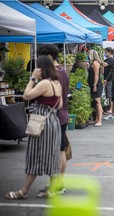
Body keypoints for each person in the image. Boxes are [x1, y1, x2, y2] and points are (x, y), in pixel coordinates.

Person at [5, 56, 63, 200]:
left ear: (42, 68)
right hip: (53, 122)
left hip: (41, 122)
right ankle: (53, 189)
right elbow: (60, 105)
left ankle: (23, 191)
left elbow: (26, 95)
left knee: (35, 155)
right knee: (51, 155)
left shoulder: (44, 83)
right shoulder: (57, 83)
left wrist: (32, 78)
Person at [36, 45, 69, 197]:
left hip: (55, 115)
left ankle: (58, 185)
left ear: (49, 56)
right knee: (60, 150)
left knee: (58, 151)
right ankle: (57, 184)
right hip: (62, 114)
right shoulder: (63, 71)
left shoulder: (54, 72)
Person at [88, 49, 104, 127]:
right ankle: (97, 119)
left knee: (98, 102)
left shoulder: (95, 63)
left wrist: (94, 85)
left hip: (97, 84)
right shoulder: (95, 63)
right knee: (95, 102)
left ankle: (100, 120)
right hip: (94, 84)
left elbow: (96, 75)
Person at [103, 48, 114, 121]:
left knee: (111, 95)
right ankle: (112, 113)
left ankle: (113, 111)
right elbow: (112, 72)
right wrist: (106, 79)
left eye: (106, 52)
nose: (105, 53)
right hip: (112, 80)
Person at [102, 47, 114, 115]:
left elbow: (104, 64)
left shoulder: (111, 59)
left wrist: (98, 59)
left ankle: (111, 108)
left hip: (109, 79)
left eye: (106, 52)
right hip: (107, 79)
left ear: (110, 52)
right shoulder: (108, 59)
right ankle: (109, 108)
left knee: (109, 94)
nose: (105, 53)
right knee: (108, 93)